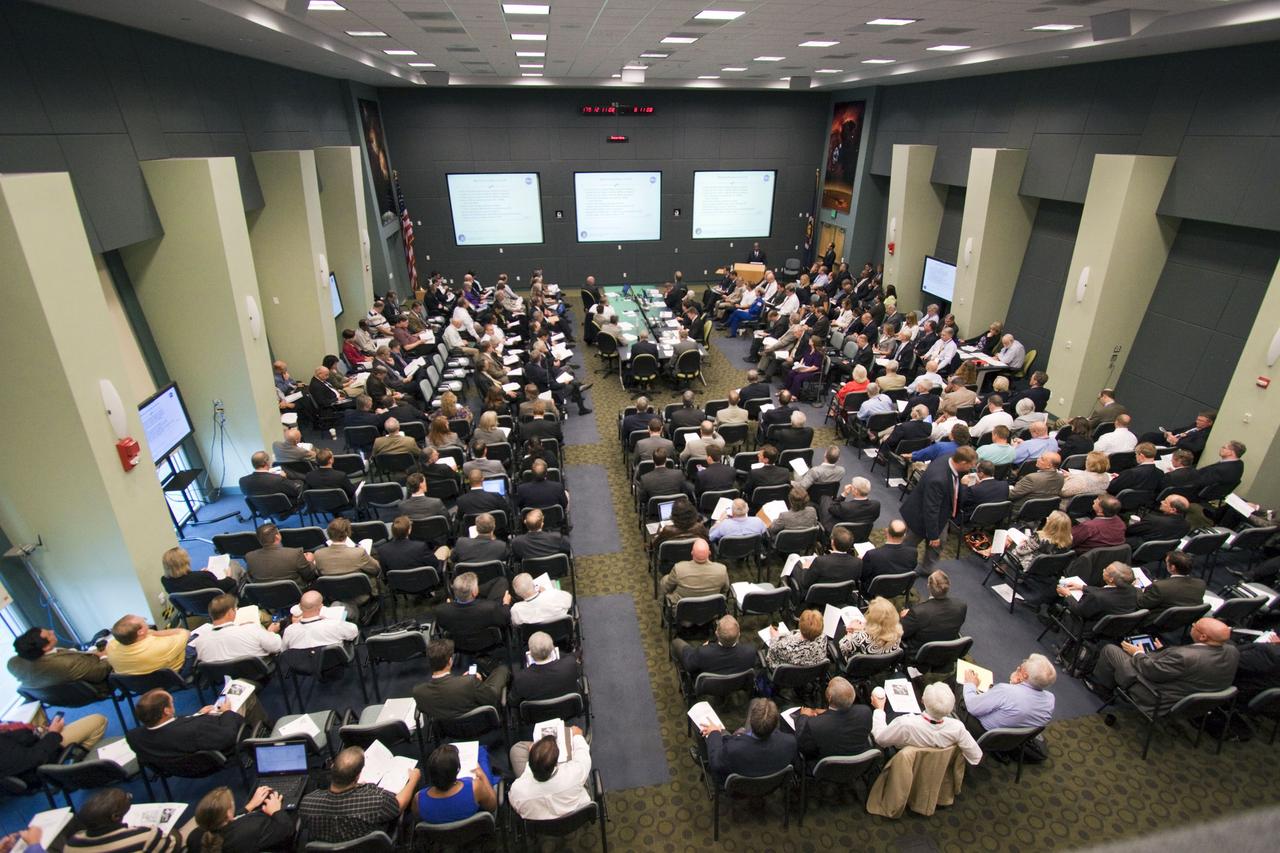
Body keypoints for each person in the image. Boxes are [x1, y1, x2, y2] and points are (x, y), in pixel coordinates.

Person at [1090, 618, 1238, 712]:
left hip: (1155, 695)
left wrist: (1137, 653)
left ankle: (1102, 689)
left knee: (1111, 650)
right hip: (1193, 702)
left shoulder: (1184, 656)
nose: (1192, 625)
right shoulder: (1232, 651)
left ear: (1203, 636)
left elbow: (1152, 672)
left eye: (1195, 625)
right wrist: (1162, 652)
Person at [298, 746, 419, 844]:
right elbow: (399, 805)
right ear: (357, 776)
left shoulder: (308, 803)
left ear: (332, 767)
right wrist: (413, 780)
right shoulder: (375, 801)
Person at [126, 689, 252, 768]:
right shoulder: (196, 728)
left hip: (175, 769)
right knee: (244, 707)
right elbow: (229, 736)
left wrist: (196, 716)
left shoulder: (133, 737)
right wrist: (227, 712)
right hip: (208, 764)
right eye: (172, 702)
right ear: (167, 711)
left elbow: (174, 732)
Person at [901, 446, 978, 570]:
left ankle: (926, 569)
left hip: (942, 513)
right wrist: (933, 535)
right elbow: (931, 509)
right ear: (963, 463)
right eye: (971, 465)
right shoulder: (938, 480)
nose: (972, 468)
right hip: (920, 516)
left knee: (938, 544)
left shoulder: (949, 458)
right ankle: (900, 566)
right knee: (909, 545)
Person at [871, 682, 983, 765]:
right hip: (935, 770)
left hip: (904, 763)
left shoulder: (905, 724)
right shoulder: (957, 728)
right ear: (951, 709)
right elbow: (976, 757)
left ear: (922, 701)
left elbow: (881, 739)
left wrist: (879, 709)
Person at [976, 511, 1074, 605]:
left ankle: (993, 556)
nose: (1047, 518)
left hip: (1026, 564)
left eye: (1049, 518)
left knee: (1009, 532)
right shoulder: (1068, 541)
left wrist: (1024, 542)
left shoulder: (1040, 537)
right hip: (1044, 569)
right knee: (1010, 537)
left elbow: (1020, 551)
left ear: (1052, 524)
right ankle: (997, 560)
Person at [700, 698, 796, 784]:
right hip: (771, 784)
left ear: (751, 721)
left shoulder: (732, 748)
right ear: (775, 726)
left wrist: (714, 732)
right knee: (755, 701)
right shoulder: (790, 742)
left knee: (708, 729)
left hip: (738, 787)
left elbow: (716, 763)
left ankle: (701, 757)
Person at [414, 638, 510, 723]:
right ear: (450, 661)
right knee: (502, 670)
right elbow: (491, 698)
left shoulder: (419, 692)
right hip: (479, 724)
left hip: (448, 730)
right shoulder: (468, 682)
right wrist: (478, 682)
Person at [960, 653, 1056, 737]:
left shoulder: (1005, 691)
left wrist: (970, 684)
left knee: (960, 684)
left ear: (1025, 676)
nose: (1020, 666)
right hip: (1009, 742)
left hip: (979, 731)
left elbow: (972, 707)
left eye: (1025, 663)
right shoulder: (1050, 699)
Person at [508, 727, 593, 819]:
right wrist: (577, 737)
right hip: (576, 813)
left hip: (540, 826)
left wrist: (536, 754)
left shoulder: (517, 792)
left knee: (516, 749)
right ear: (557, 763)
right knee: (580, 760)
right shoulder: (574, 773)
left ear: (529, 762)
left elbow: (517, 808)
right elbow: (583, 756)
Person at [63, 788, 181, 852]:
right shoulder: (145, 836)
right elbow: (174, 844)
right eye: (127, 798)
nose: (129, 798)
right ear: (115, 817)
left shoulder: (71, 844)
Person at [8, 627, 113, 698]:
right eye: (49, 634)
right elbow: (100, 673)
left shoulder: (13, 664)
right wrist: (105, 655)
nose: (52, 631)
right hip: (95, 688)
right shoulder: (66, 664)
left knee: (89, 647)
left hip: (54, 697)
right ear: (46, 647)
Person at [187, 785, 294, 853]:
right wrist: (276, 811)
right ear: (229, 814)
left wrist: (249, 807)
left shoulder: (194, 837)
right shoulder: (251, 828)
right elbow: (287, 830)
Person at [415, 743, 498, 826]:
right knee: (481, 753)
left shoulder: (418, 799)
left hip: (438, 838)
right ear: (457, 771)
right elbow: (492, 806)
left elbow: (418, 818)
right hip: (474, 833)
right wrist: (482, 775)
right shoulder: (474, 788)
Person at [188, 593, 282, 664]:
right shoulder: (251, 629)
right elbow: (276, 646)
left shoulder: (199, 642)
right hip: (256, 672)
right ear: (230, 612)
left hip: (221, 677)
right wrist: (271, 632)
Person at [793, 677, 872, 759]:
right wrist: (827, 713)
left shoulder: (815, 725)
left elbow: (803, 747)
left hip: (828, 768)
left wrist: (803, 716)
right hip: (861, 762)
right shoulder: (865, 711)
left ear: (829, 698)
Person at [1055, 562, 1139, 633]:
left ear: (1111, 579)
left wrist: (1067, 594)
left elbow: (1079, 610)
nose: (1103, 570)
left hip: (1090, 627)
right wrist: (1082, 587)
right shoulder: (1133, 590)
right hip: (1115, 628)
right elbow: (1104, 590)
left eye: (1106, 570)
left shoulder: (1098, 597)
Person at [900, 570, 967, 652]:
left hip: (919, 654)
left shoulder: (918, 612)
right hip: (946, 652)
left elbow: (898, 633)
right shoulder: (961, 606)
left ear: (928, 586)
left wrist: (906, 617)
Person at [671, 615, 758, 677]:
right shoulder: (750, 652)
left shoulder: (703, 652)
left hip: (708, 688)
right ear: (739, 634)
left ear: (716, 633)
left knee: (676, 642)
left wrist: (702, 647)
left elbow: (690, 666)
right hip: (736, 684)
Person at [509, 631, 582, 705]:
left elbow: (513, 701)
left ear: (530, 653)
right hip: (568, 708)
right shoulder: (570, 665)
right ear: (552, 648)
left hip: (537, 714)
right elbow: (579, 673)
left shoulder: (521, 679)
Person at [105, 614, 189, 676]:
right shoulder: (160, 645)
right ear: (140, 632)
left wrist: (151, 633)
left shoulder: (111, 646)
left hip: (135, 685)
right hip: (167, 679)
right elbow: (185, 632)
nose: (146, 623)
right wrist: (156, 633)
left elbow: (149, 633)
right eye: (144, 621)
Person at [313, 518, 381, 592]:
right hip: (360, 593)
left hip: (334, 594)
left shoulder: (318, 554)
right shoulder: (359, 553)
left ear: (328, 533)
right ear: (348, 533)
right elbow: (376, 569)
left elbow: (318, 573)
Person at [283, 590, 360, 650]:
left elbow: (284, 650)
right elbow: (353, 633)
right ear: (321, 607)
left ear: (300, 608)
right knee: (341, 606)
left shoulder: (289, 631)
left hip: (302, 666)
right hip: (336, 662)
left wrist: (295, 626)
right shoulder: (335, 624)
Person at [660, 539, 730, 605]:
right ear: (709, 553)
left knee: (665, 580)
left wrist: (665, 579)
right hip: (711, 609)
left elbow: (667, 588)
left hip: (682, 611)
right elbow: (725, 589)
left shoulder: (679, 568)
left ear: (692, 553)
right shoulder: (721, 570)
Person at [245, 524, 315, 588]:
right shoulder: (295, 554)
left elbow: (251, 579)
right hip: (295, 594)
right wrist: (310, 561)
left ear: (259, 540)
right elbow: (309, 576)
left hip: (266, 597)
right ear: (277, 537)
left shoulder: (249, 557)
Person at [1136, 551, 1206, 614]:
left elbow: (1141, 604)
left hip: (1157, 621)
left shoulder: (1160, 587)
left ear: (1172, 567)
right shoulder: (1201, 584)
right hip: (1185, 620)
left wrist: (1137, 587)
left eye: (1166, 562)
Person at [837, 596, 903, 658]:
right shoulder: (898, 634)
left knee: (840, 627)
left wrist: (851, 632)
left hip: (859, 667)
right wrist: (863, 628)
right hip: (884, 665)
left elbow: (843, 648)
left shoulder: (860, 638)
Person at [374, 515, 444, 573]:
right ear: (409, 531)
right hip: (423, 582)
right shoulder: (420, 547)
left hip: (398, 584)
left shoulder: (382, 550)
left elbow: (385, 571)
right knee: (444, 549)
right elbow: (435, 564)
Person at [861, 521, 919, 588]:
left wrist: (862, 561)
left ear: (886, 531)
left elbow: (863, 577)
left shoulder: (872, 555)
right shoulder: (913, 552)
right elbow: (912, 567)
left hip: (874, 589)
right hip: (899, 587)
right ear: (904, 535)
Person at [1125, 494, 1190, 549]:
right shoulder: (1187, 526)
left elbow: (1130, 530)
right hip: (1159, 552)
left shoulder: (1153, 519)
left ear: (1173, 510)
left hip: (1138, 547)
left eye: (1165, 502)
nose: (1161, 502)